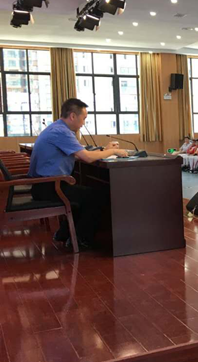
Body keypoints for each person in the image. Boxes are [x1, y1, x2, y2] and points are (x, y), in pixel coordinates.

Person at [29, 98, 129, 250]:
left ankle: (64, 233)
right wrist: (113, 151)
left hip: (43, 186)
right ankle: (81, 239)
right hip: (50, 188)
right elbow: (87, 157)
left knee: (84, 193)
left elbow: (78, 154)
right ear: (73, 116)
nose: (83, 123)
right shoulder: (62, 132)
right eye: (84, 118)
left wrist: (103, 150)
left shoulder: (56, 128)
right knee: (96, 196)